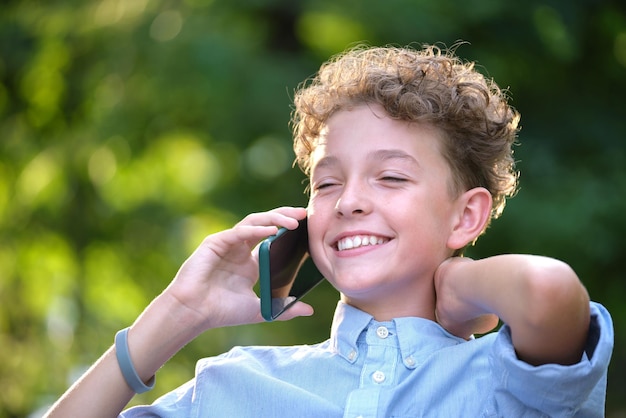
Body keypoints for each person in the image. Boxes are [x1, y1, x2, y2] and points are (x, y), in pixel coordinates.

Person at [45, 44, 613, 417]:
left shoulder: (506, 381)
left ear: (466, 216)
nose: (351, 202)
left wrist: (460, 287)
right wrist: (177, 312)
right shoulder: (233, 385)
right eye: (326, 184)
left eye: (390, 177)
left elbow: (548, 294)